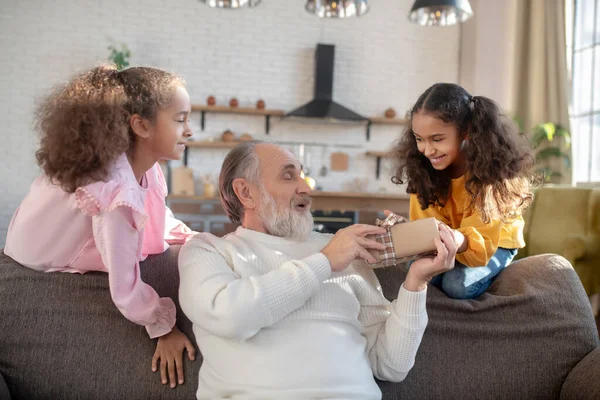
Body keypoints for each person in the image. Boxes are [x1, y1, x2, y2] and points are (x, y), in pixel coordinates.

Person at [178, 141, 457, 399]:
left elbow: (391, 365)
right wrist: (325, 262)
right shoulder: (207, 251)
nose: (306, 188)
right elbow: (230, 316)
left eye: (303, 175)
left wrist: (415, 283)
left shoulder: (345, 251)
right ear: (246, 192)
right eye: (288, 176)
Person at [4, 64, 197, 388]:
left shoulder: (145, 169)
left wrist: (192, 237)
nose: (190, 131)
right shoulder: (115, 197)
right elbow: (125, 290)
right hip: (40, 247)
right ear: (141, 126)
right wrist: (164, 327)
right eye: (180, 120)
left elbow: (156, 216)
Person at [390, 82, 536, 299]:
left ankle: (500, 268)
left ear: (466, 131)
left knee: (456, 285)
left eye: (437, 139)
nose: (427, 150)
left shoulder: (490, 176)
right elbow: (428, 224)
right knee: (414, 269)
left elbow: (482, 243)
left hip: (494, 242)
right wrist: (409, 234)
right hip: (452, 240)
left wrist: (454, 240)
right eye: (419, 139)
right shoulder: (424, 170)